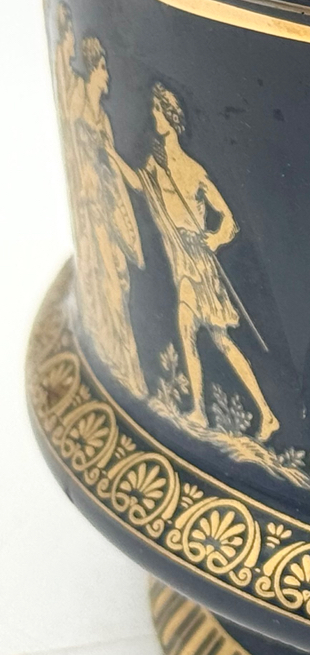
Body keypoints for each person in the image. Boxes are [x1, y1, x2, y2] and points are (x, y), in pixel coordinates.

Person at [137, 83, 279, 440]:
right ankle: (250, 413)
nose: (153, 116)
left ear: (171, 117)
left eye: (158, 110)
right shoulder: (155, 165)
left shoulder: (193, 170)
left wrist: (214, 239)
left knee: (201, 332)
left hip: (197, 261)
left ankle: (226, 411)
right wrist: (109, 153)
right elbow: (140, 186)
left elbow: (228, 220)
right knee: (212, 338)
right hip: (179, 256)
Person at [67, 35, 149, 397]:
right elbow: (81, 157)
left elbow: (113, 167)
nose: (108, 76)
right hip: (92, 209)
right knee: (110, 284)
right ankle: (118, 361)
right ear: (93, 68)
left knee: (120, 279)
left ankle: (124, 363)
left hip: (108, 208)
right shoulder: (79, 106)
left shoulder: (102, 116)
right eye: (103, 68)